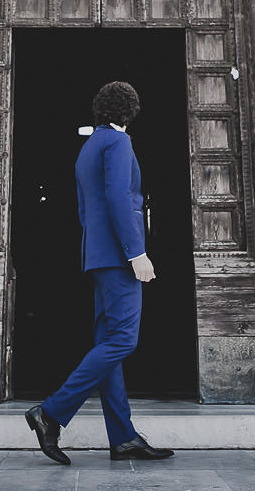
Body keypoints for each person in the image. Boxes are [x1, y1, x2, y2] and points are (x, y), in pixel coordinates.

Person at [24, 80, 175, 465]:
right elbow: (120, 199)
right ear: (132, 110)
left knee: (108, 342)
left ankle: (123, 438)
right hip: (120, 257)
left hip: (98, 254)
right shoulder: (118, 143)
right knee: (123, 341)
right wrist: (136, 252)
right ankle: (51, 413)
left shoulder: (90, 145)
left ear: (100, 109)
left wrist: (102, 248)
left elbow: (84, 207)